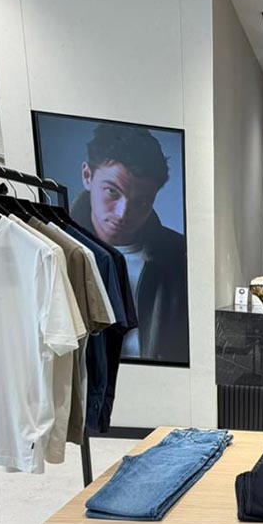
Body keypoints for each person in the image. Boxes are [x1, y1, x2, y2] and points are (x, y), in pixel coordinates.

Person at [71, 123, 189, 363]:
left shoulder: (180, 256)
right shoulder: (59, 252)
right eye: (112, 192)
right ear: (87, 176)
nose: (123, 213)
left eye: (141, 202)